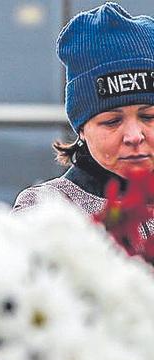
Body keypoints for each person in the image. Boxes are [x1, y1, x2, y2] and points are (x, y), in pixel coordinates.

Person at [16, 2, 154, 226]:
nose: (134, 135)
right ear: (81, 129)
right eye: (112, 121)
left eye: (148, 116)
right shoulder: (45, 211)